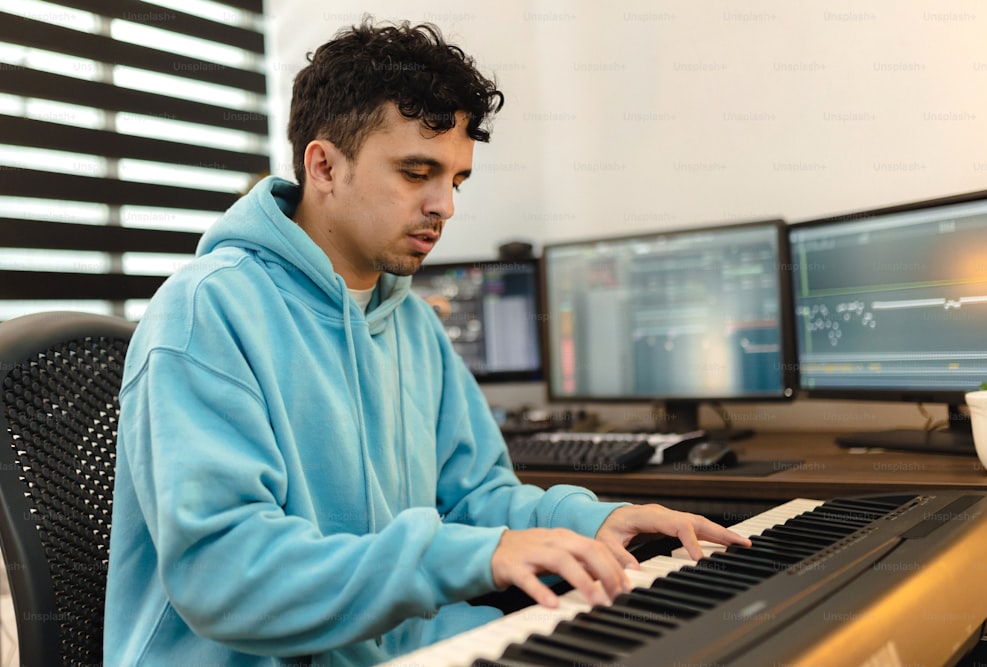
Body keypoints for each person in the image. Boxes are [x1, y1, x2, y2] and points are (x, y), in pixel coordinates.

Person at [104, 17, 750, 666]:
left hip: (401, 647)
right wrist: (473, 554)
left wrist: (593, 521)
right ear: (323, 166)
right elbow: (226, 575)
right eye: (418, 173)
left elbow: (473, 497)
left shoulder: (411, 322)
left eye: (457, 180)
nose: (445, 205)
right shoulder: (206, 312)